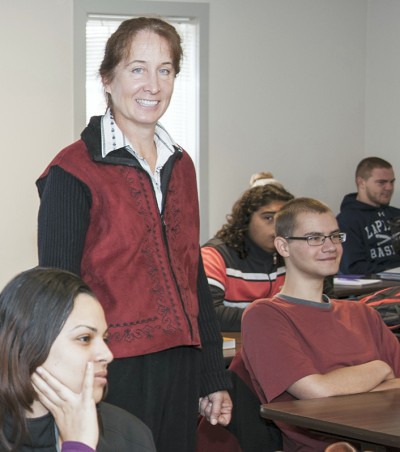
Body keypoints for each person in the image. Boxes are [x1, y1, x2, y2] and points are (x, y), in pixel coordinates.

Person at [35, 17, 231, 452]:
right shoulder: (72, 170)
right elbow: (57, 290)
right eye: (137, 68)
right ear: (108, 78)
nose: (153, 85)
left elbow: (192, 273)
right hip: (110, 368)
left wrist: (212, 374)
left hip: (182, 361)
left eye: (165, 70)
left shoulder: (182, 165)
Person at [232, 197, 400, 451]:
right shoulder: (265, 315)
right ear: (283, 246)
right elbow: (316, 390)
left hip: (383, 438)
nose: (330, 246)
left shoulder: (363, 314)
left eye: (334, 236)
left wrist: (341, 386)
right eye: (314, 238)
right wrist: (379, 369)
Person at [0, 267, 156, 452]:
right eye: (84, 338)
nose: (108, 355)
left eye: (105, 338)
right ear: (24, 347)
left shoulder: (130, 435)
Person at [201, 183, 294, 331]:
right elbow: (209, 314)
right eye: (268, 217)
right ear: (245, 220)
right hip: (231, 350)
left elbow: (316, 305)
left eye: (283, 219)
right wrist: (276, 317)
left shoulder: (294, 253)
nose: (277, 226)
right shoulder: (214, 255)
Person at [337, 156, 400, 275]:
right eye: (381, 182)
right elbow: (353, 268)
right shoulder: (345, 221)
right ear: (361, 182)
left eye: (392, 182)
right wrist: (392, 272)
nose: (389, 187)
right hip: (372, 288)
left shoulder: (397, 214)